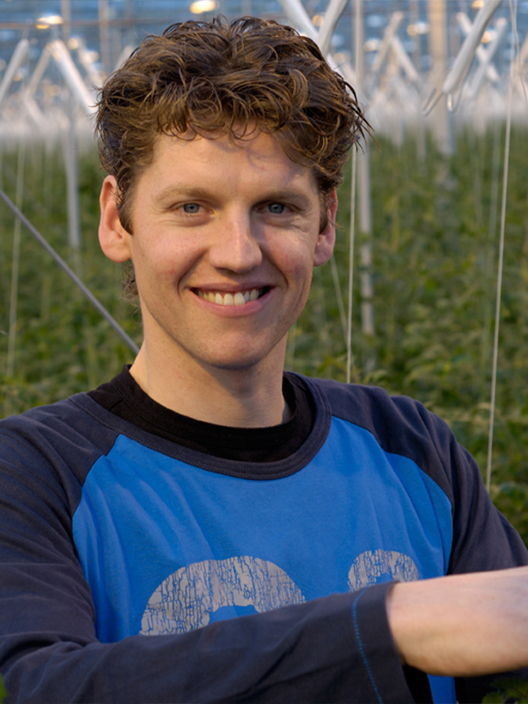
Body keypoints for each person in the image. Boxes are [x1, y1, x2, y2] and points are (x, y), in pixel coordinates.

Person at [0, 15, 527, 704]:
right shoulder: (34, 475)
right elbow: (47, 686)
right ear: (115, 219)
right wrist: (387, 626)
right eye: (192, 207)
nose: (238, 253)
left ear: (326, 224)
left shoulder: (410, 448)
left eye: (277, 207)